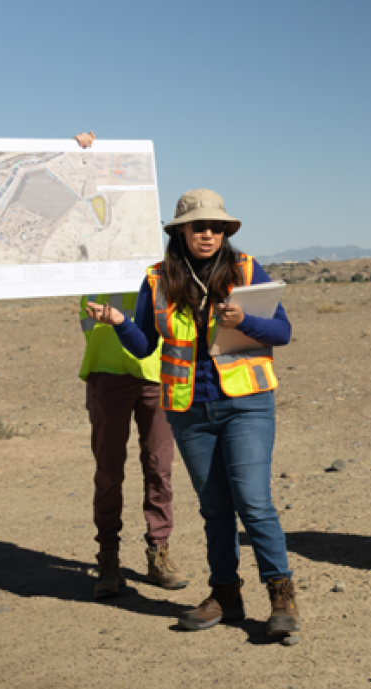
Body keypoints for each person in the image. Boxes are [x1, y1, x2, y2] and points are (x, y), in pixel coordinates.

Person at [86, 187, 300, 636]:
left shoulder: (245, 269)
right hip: (188, 409)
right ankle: (225, 594)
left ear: (226, 231)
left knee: (254, 502)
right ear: (179, 231)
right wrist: (121, 323)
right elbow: (147, 343)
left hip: (246, 404)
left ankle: (281, 595)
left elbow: (281, 331)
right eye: (198, 226)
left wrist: (246, 322)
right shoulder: (157, 279)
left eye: (216, 227)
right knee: (215, 508)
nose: (208, 234)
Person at [73, 131, 184, 599]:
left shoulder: (161, 263)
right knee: (109, 470)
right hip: (107, 372)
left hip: (157, 374)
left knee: (160, 466)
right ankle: (108, 557)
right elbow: (80, 204)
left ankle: (159, 550)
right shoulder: (86, 247)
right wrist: (82, 159)